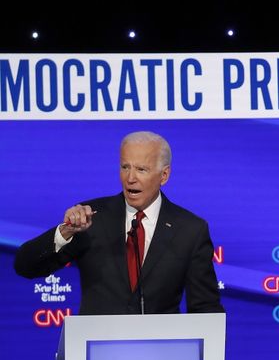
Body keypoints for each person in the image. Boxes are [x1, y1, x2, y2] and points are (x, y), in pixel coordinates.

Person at [14, 130, 224, 315]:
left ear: (164, 175)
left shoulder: (190, 230)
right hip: (95, 345)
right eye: (125, 167)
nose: (130, 178)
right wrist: (65, 232)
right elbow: (25, 266)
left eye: (141, 169)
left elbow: (206, 309)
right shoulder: (91, 219)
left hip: (161, 347)